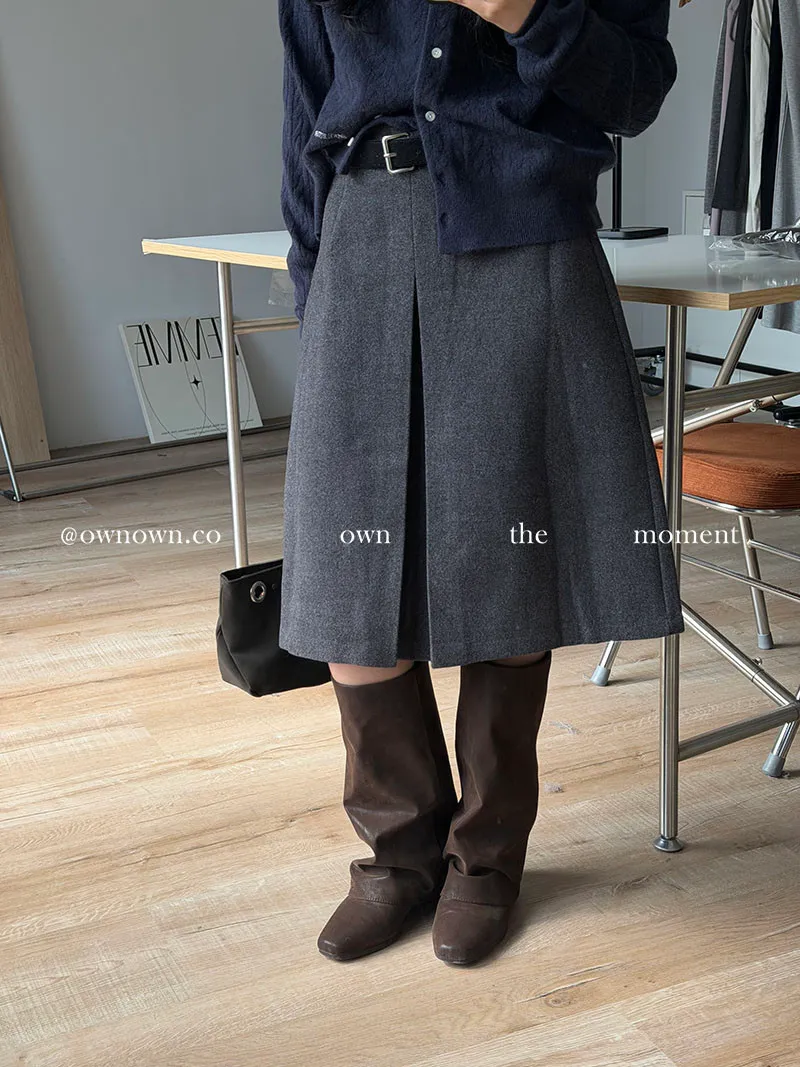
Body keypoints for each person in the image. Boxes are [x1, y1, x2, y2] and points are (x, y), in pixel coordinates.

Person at [277, 0, 683, 967]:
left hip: (524, 234)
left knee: (506, 562)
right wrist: (313, 279)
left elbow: (635, 92)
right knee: (348, 579)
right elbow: (302, 106)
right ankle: (400, 853)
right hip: (360, 231)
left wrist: (526, 14)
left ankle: (486, 859)